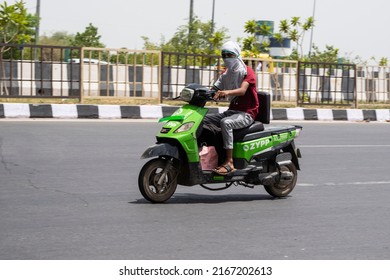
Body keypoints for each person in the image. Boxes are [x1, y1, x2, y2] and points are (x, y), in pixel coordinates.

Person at [204, 41, 259, 175]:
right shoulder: (226, 74)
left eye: (230, 54)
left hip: (247, 114)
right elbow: (214, 89)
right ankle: (210, 155)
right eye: (224, 55)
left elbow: (242, 90)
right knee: (203, 120)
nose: (227, 58)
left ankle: (229, 162)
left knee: (226, 123)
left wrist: (226, 92)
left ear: (237, 54)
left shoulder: (247, 71)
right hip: (232, 111)